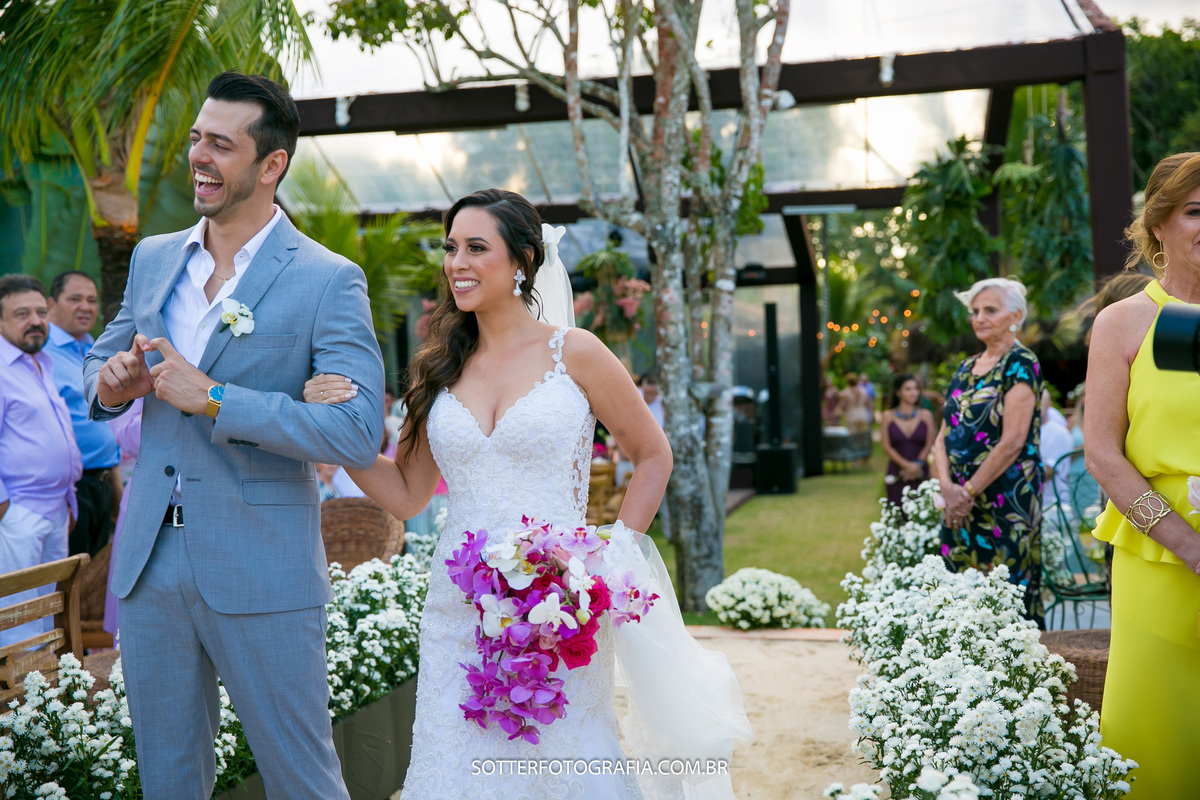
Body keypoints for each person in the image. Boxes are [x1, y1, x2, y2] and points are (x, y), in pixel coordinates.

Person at [304, 188, 750, 798]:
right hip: (457, 610)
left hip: (556, 610)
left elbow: (653, 455)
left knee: (559, 758)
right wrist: (338, 434)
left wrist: (615, 555)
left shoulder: (576, 353)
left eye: (476, 248)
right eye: (451, 248)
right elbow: (408, 495)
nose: (456, 262)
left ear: (522, 261)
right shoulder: (436, 369)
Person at [83, 72, 383, 799]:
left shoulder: (327, 279)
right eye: (195, 139)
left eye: (221, 143)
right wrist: (111, 379)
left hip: (264, 564)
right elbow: (103, 356)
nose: (198, 156)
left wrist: (215, 396)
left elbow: (354, 428)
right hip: (150, 564)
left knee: (300, 779)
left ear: (271, 164)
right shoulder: (156, 257)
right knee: (168, 779)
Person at [1084, 151, 1200, 797]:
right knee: (1156, 727)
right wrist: (1188, 545)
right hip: (1160, 552)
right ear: (1159, 224)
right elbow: (1101, 452)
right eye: (1195, 212)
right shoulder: (1123, 323)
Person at [931, 277, 1044, 625]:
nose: (979, 317)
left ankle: (1022, 676)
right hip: (958, 502)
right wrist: (948, 489)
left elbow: (1012, 441)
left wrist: (966, 491)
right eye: (975, 311)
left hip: (1006, 498)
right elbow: (941, 438)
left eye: (990, 310)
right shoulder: (965, 368)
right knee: (959, 592)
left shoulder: (1021, 363)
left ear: (1015, 315)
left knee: (1009, 595)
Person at [0, 274, 82, 647]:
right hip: (19, 511)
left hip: (56, 508)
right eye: (21, 313)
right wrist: (5, 508)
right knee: (17, 617)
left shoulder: (41, 362)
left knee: (47, 612)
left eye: (38, 311)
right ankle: (17, 702)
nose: (34, 320)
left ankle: (44, 699)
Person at [45, 270, 123, 557]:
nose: (86, 307)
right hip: (67, 490)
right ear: (51, 305)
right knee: (66, 585)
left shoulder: (94, 349)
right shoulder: (41, 352)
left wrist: (115, 489)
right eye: (75, 299)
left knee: (93, 586)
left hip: (103, 482)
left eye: (92, 300)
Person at [880, 373, 935, 508]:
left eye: (915, 389)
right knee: (897, 516)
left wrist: (916, 465)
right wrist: (906, 466)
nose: (913, 393)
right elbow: (886, 446)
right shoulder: (888, 417)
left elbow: (929, 443)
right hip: (897, 473)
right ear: (898, 392)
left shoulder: (926, 416)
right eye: (908, 389)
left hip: (921, 473)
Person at [1039, 389, 1074, 507]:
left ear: (1049, 405)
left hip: (1054, 505)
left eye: (1040, 401)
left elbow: (1048, 472)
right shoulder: (1024, 431)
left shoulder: (1059, 433)